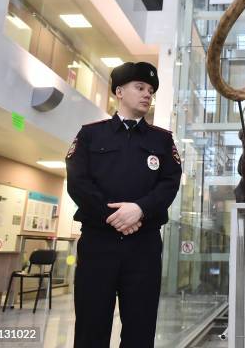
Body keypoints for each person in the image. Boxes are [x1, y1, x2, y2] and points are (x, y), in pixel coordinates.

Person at [66, 62, 182, 348]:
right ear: (119, 91)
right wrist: (116, 216)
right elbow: (77, 182)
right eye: (140, 88)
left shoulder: (162, 140)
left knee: (140, 330)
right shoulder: (91, 134)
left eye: (151, 90)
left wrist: (139, 210)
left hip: (143, 247)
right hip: (98, 244)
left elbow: (169, 182)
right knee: (91, 327)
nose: (147, 94)